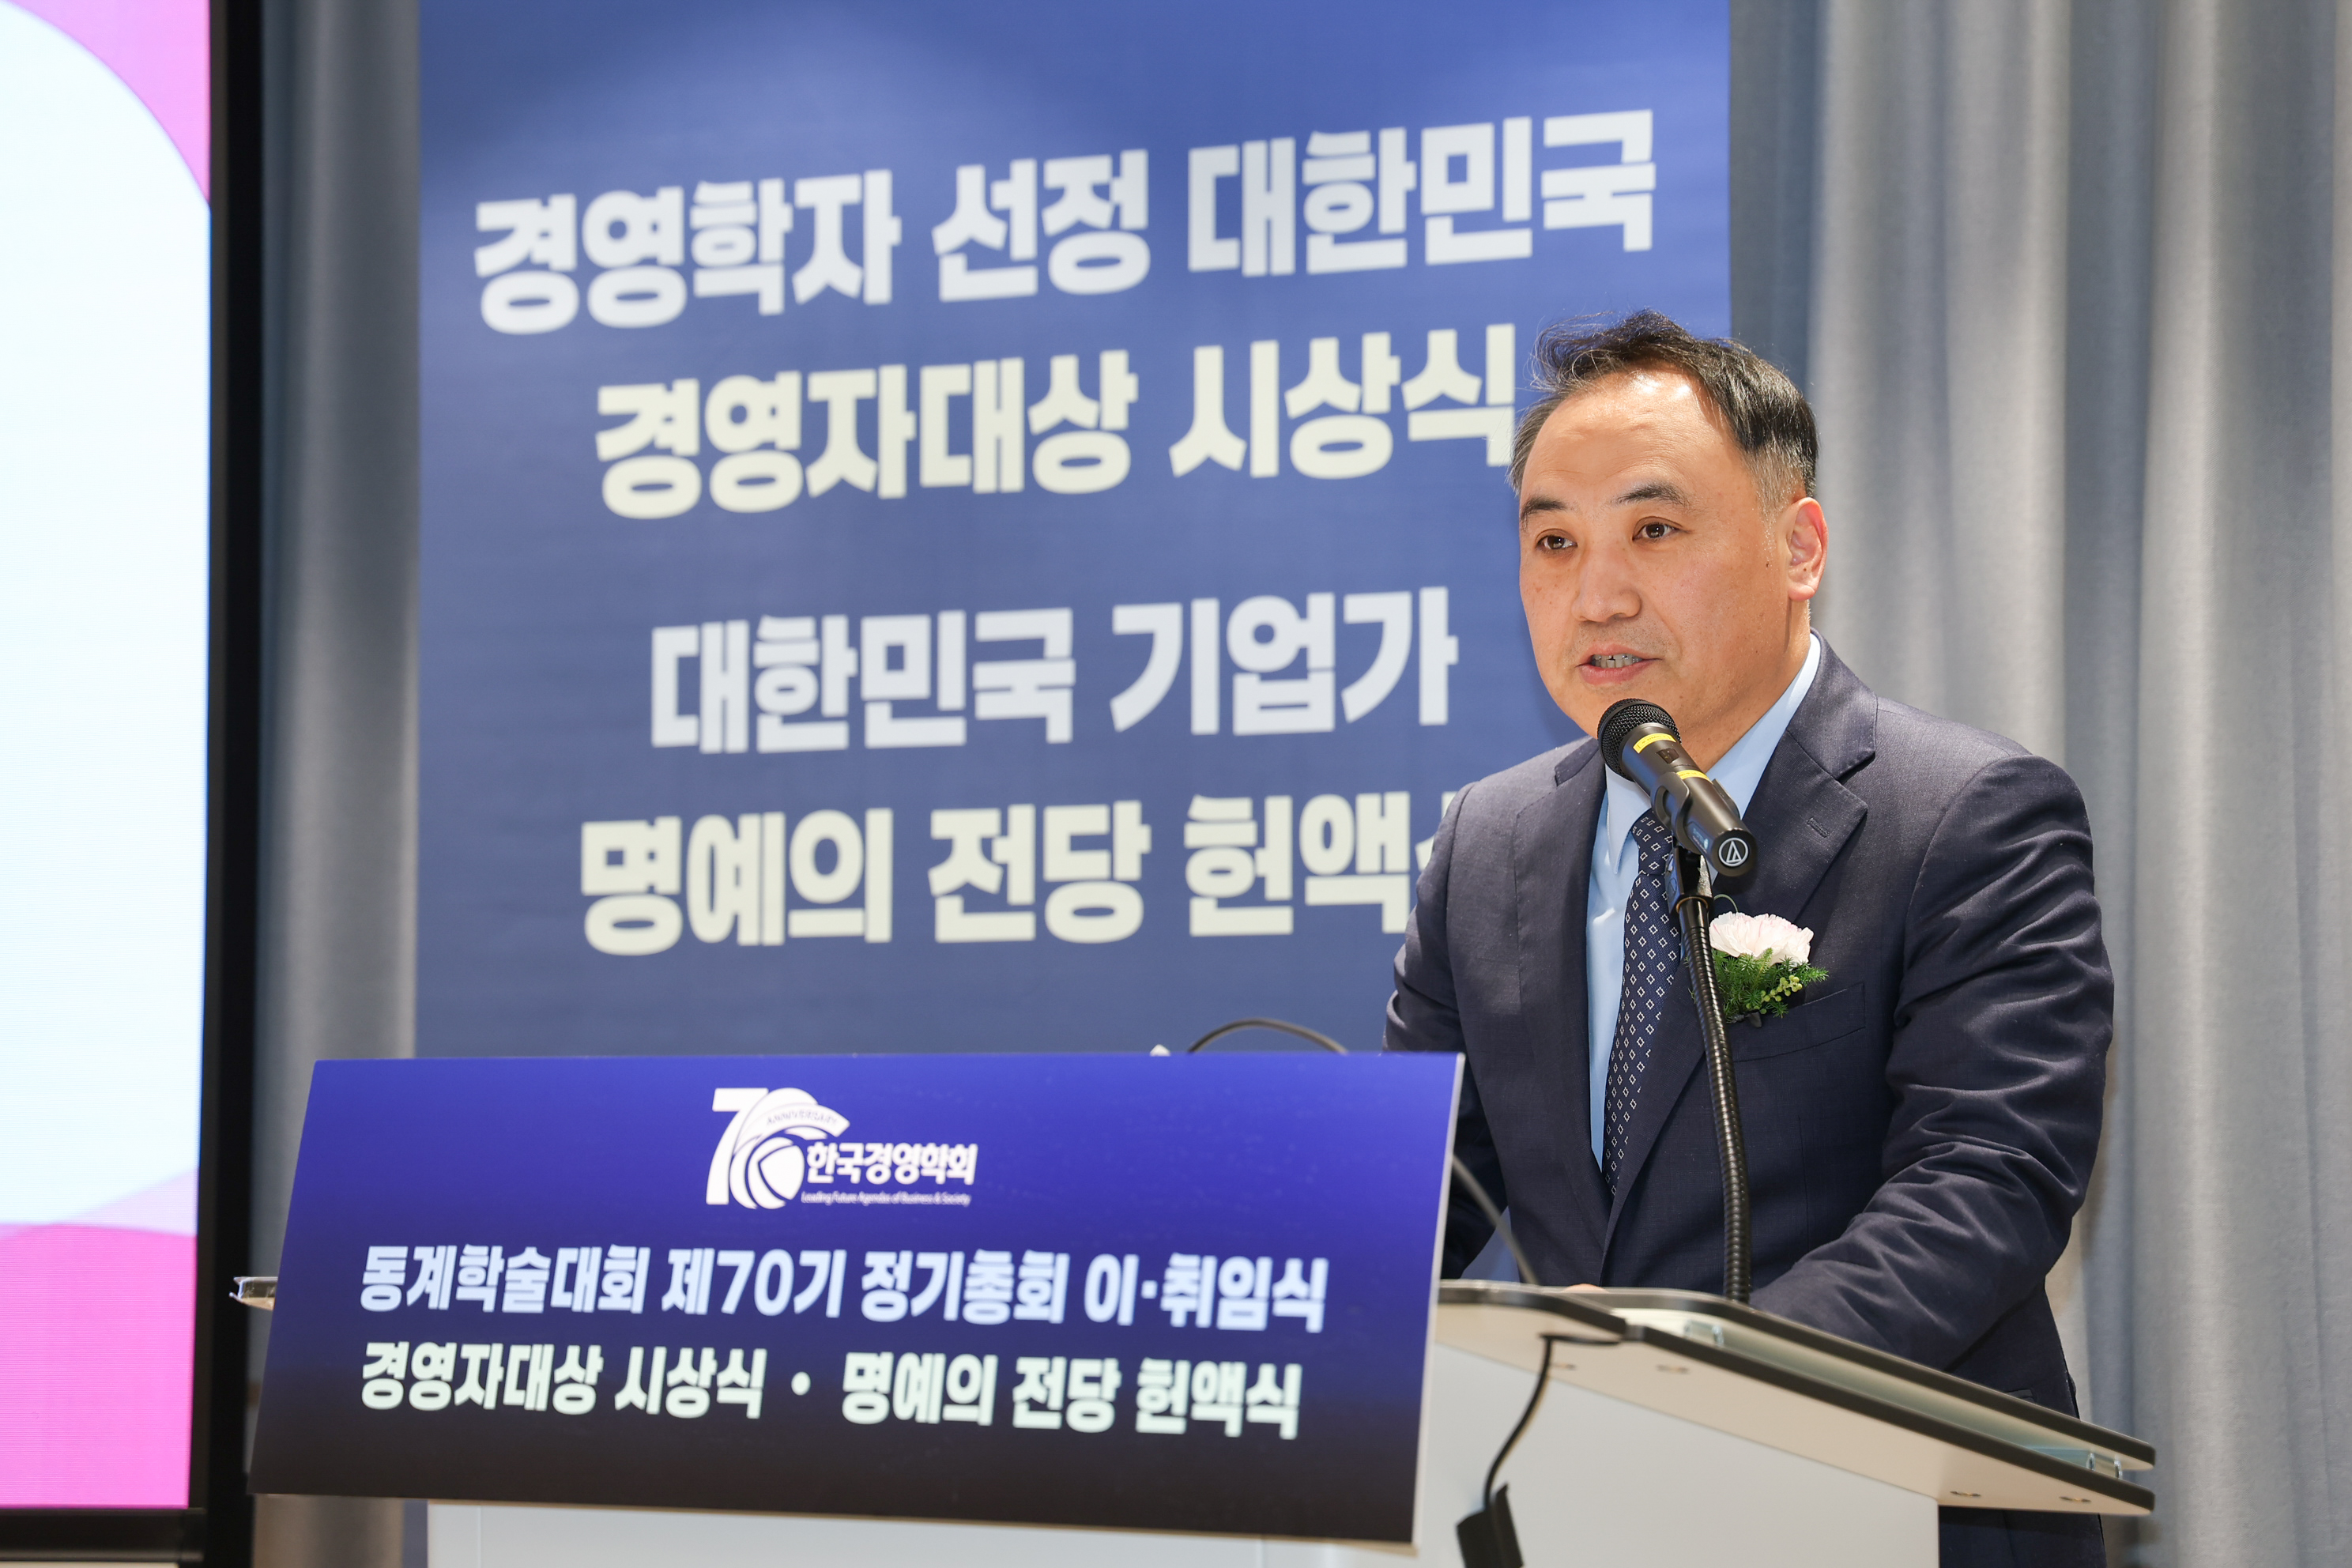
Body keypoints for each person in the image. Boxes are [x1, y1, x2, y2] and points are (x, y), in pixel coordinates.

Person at [1385, 311, 2110, 1568]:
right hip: (1574, 1516)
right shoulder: (1487, 844)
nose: (1598, 594)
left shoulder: (1965, 815)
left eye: (1654, 531)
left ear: (1799, 546)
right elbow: (1427, 1187)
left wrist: (1695, 1384)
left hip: (1889, 1508)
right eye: (1554, 541)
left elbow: (1986, 1180)